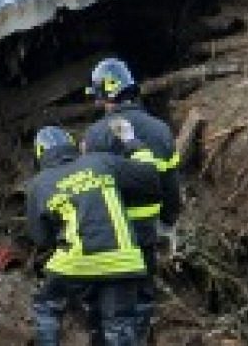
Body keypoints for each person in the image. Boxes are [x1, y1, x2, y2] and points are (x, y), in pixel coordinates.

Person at [26, 126, 160, 346]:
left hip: (77, 262)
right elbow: (150, 179)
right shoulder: (101, 162)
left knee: (47, 306)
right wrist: (133, 143)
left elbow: (41, 238)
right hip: (123, 261)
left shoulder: (39, 184)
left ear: (40, 153)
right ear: (72, 144)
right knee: (119, 326)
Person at [82, 57, 181, 340]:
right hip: (146, 233)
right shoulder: (160, 130)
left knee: (106, 308)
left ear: (105, 94)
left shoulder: (95, 135)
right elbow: (171, 186)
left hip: (108, 237)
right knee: (142, 302)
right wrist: (169, 221)